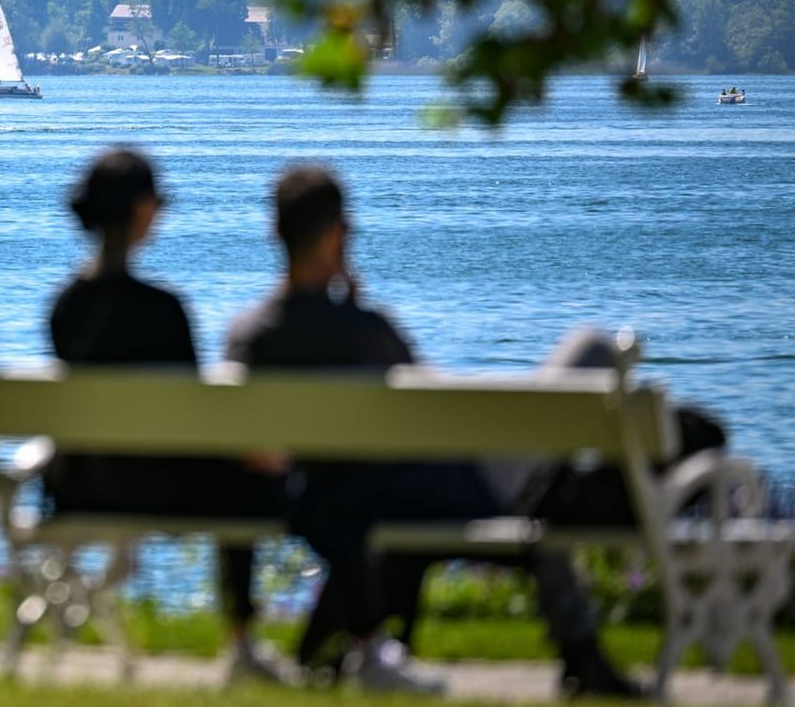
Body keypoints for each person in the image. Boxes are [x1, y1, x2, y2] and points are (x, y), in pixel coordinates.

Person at [226, 165, 639, 698]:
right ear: (337, 236)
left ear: (275, 235)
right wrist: (353, 308)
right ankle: (585, 658)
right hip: (460, 488)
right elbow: (439, 404)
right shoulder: (366, 332)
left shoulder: (249, 337)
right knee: (592, 349)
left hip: (351, 496)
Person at [46, 149, 292, 686]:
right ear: (139, 211)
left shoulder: (64, 306)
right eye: (158, 202)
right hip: (170, 491)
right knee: (262, 482)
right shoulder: (163, 309)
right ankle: (241, 644)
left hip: (88, 486)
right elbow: (193, 427)